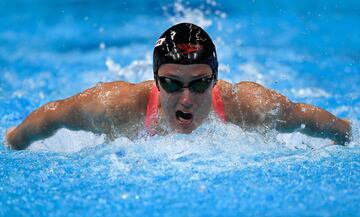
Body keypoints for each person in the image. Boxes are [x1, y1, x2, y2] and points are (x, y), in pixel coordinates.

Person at [5, 23, 351, 150]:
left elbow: (321, 122)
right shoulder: (115, 104)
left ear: (215, 79)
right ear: (155, 80)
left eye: (200, 84)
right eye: (171, 83)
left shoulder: (248, 105)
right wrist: (10, 143)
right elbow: (52, 117)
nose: (186, 99)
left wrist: (350, 135)